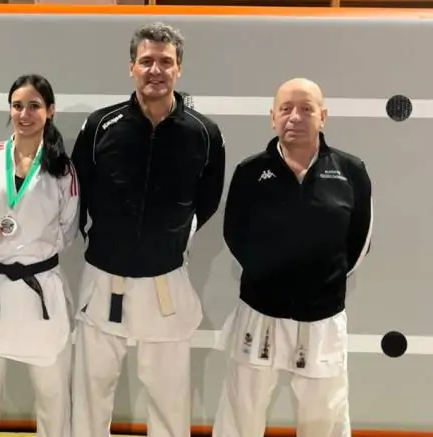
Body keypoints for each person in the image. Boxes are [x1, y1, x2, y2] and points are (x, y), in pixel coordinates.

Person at [69, 22, 226, 437]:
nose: (156, 70)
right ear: (131, 67)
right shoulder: (101, 125)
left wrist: (174, 238)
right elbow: (77, 190)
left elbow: (207, 200)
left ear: (179, 69)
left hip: (165, 279)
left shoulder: (204, 133)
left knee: (169, 395)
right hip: (104, 275)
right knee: (91, 390)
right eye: (146, 61)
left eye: (165, 62)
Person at [211, 77, 373, 437]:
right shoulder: (250, 172)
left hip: (323, 317)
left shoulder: (350, 171)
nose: (295, 117)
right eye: (285, 109)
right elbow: (235, 234)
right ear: (272, 117)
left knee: (325, 418)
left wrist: (321, 281)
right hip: (260, 312)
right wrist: (269, 276)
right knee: (241, 413)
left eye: (306, 109)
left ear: (323, 116)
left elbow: (358, 242)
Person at [0, 74, 80, 437]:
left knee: (52, 395)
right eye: (18, 106)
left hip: (40, 288)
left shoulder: (63, 168)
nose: (24, 114)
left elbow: (68, 227)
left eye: (34, 106)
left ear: (50, 111)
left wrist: (30, 245)